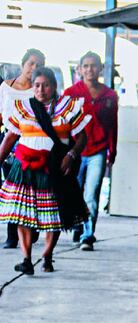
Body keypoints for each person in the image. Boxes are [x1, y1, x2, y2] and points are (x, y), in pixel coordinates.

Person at [0, 67, 89, 275]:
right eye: (37, 85)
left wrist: (71, 155)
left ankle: (47, 254)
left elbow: (82, 137)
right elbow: (10, 138)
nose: (41, 90)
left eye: (46, 85)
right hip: (24, 169)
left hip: (55, 169)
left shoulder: (68, 108)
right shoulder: (22, 108)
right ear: (32, 87)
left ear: (54, 86)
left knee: (54, 217)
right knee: (21, 215)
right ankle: (26, 258)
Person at [65, 51, 118, 251]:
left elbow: (114, 125)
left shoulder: (110, 96)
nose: (89, 70)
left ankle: (88, 235)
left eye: (93, 65)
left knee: (92, 193)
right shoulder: (71, 93)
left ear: (101, 69)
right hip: (75, 151)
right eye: (85, 66)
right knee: (75, 193)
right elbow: (63, 124)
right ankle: (77, 225)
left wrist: (112, 152)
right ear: (79, 69)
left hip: (98, 150)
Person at [2, 48, 44, 249]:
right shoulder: (6, 87)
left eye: (38, 65)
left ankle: (31, 228)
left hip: (30, 142)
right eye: (31, 64)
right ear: (23, 64)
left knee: (30, 188)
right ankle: (12, 235)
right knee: (12, 188)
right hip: (8, 139)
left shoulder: (38, 91)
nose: (33, 68)